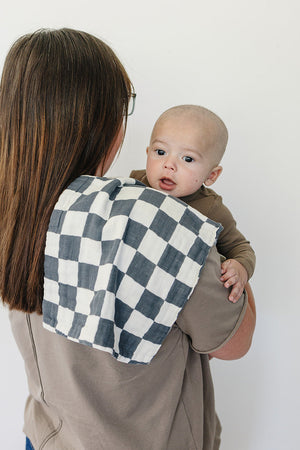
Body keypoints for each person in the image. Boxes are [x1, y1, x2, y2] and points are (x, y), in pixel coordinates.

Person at [0, 29, 255, 450]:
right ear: (99, 121)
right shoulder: (150, 217)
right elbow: (234, 341)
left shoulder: (13, 208)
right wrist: (212, 239)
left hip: (47, 438)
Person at [130, 105, 256, 303]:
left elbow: (241, 248)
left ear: (211, 175)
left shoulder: (211, 209)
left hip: (177, 296)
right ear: (147, 153)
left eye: (187, 158)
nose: (169, 164)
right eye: (160, 152)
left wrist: (240, 267)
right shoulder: (135, 185)